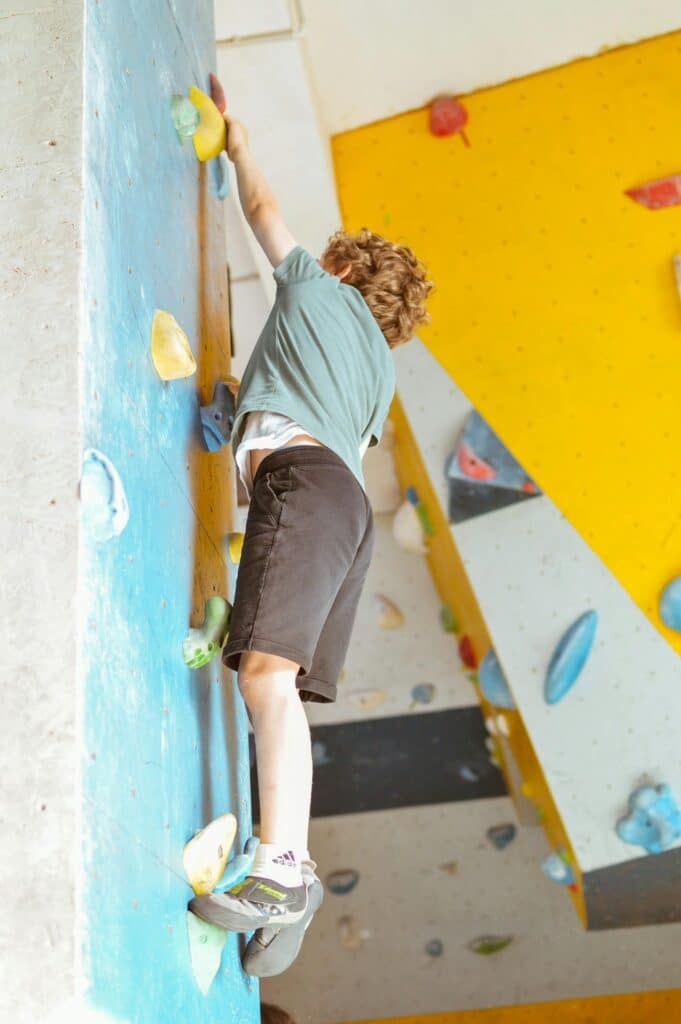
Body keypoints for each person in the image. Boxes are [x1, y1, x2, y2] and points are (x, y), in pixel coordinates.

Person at [189, 77, 432, 973]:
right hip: (346, 512)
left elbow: (261, 207)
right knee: (276, 686)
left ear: (340, 270)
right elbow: (313, 427)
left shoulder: (315, 287)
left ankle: (283, 869)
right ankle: (288, 878)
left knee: (262, 679)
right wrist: (233, 411)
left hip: (305, 485)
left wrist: (242, 143)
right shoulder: (381, 379)